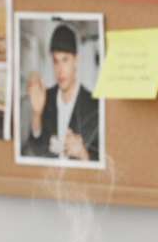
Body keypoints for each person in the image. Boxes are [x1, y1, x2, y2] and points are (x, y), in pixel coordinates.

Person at [22, 23, 100, 162]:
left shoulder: (94, 105)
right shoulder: (46, 97)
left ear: (75, 61)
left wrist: (83, 154)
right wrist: (36, 115)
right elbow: (36, 149)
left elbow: (101, 161)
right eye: (55, 61)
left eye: (65, 60)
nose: (59, 69)